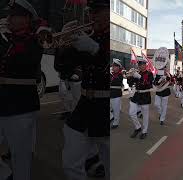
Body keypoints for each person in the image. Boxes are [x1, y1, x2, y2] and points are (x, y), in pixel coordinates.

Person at [0, 0, 50, 179]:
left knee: (20, 157)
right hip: (3, 103)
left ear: (26, 19)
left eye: (14, 16)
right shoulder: (6, 37)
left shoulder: (35, 39)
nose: (9, 19)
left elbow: (25, 61)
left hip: (20, 106)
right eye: (9, 15)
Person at [61, 1, 109, 179]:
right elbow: (63, 67)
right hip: (85, 105)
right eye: (91, 11)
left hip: (105, 106)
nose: (92, 15)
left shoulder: (102, 41)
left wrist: (95, 49)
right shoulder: (91, 37)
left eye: (98, 11)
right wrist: (65, 44)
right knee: (70, 163)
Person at [54, 23, 83, 120]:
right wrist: (59, 49)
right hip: (64, 74)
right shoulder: (61, 44)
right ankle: (67, 111)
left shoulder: (77, 43)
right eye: (64, 32)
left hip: (75, 74)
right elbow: (57, 59)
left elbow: (79, 59)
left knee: (76, 96)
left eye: (68, 32)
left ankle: (75, 112)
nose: (65, 34)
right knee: (62, 94)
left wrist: (76, 72)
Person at [127, 58, 154, 139]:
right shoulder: (137, 73)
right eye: (139, 65)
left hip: (145, 95)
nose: (141, 66)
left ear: (145, 65)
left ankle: (144, 131)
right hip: (136, 95)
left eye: (142, 64)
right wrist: (130, 76)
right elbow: (130, 84)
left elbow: (149, 84)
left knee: (145, 115)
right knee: (131, 113)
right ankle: (138, 127)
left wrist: (139, 77)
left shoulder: (149, 74)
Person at [110, 58, 123, 129]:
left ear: (118, 67)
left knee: (116, 110)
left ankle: (116, 123)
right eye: (113, 66)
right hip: (110, 94)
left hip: (116, 95)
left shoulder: (120, 75)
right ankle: (111, 117)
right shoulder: (111, 74)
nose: (113, 67)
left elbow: (117, 81)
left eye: (115, 66)